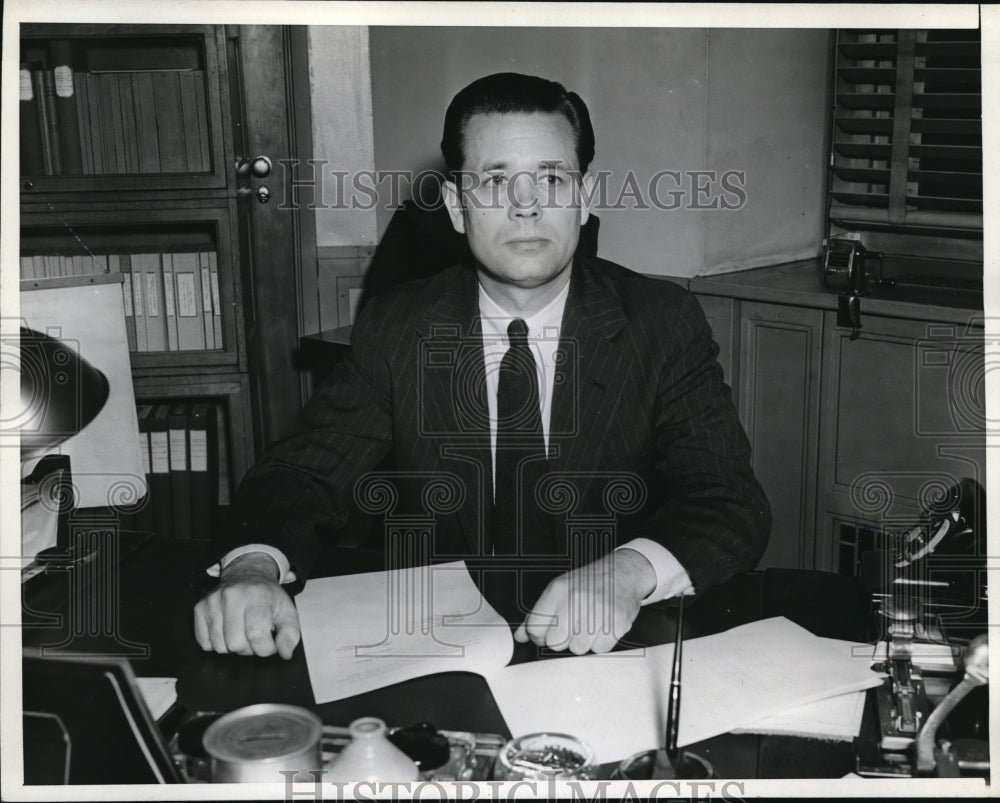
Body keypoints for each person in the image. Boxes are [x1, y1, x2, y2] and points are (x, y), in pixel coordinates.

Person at [193, 73, 770, 660]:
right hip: (440, 649)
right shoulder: (400, 326)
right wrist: (252, 567)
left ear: (585, 197)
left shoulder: (661, 321)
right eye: (496, 180)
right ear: (456, 207)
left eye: (551, 177)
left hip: (610, 648)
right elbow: (301, 475)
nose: (526, 205)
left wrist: (625, 571)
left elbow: (730, 502)